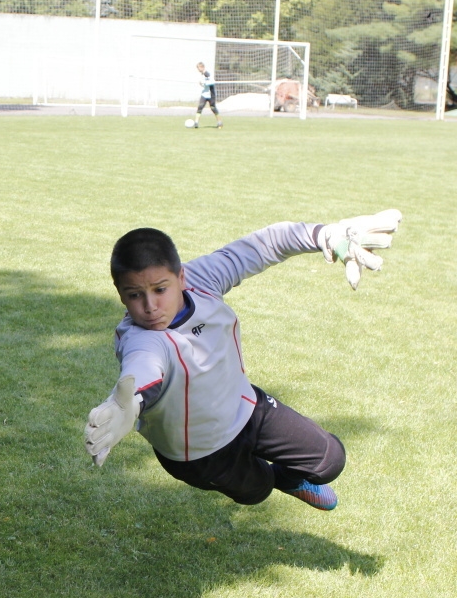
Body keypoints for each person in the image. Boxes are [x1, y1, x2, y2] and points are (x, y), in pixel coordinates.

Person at [83, 211, 403, 512]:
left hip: (246, 408)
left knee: (330, 460)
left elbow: (264, 245)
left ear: (180, 277)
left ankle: (291, 480)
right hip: (199, 452)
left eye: (160, 289)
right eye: (135, 294)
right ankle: (272, 480)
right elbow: (143, 370)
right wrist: (128, 404)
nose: (150, 306)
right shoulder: (142, 339)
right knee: (258, 490)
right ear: (120, 293)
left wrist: (328, 236)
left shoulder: (201, 279)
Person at [192, 62, 222, 129]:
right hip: (204, 94)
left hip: (211, 94)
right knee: (200, 106)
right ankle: (196, 122)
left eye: (198, 68)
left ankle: (219, 122)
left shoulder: (207, 74)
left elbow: (211, 82)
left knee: (213, 108)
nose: (198, 70)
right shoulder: (202, 75)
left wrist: (204, 83)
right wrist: (201, 84)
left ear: (201, 67)